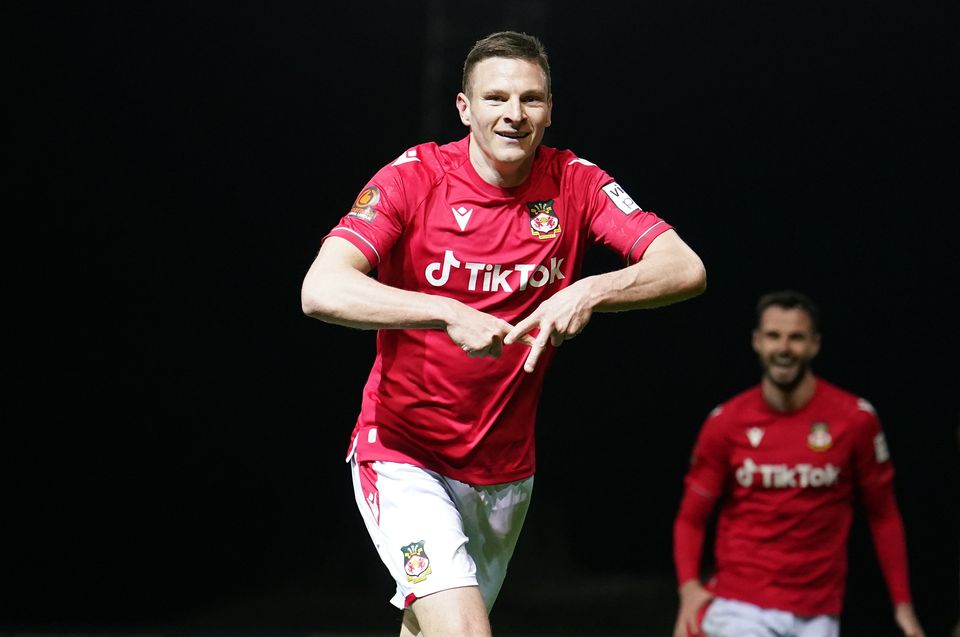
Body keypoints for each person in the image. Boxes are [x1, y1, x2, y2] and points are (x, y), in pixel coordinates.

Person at [301, 30, 706, 637]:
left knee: (430, 629)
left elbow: (685, 267)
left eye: (531, 99)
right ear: (465, 108)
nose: (513, 115)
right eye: (495, 98)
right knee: (465, 631)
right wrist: (445, 311)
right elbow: (321, 289)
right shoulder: (413, 177)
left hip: (504, 473)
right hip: (404, 453)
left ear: (549, 109)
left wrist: (589, 289)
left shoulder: (576, 182)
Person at [671, 290, 925, 637]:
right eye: (774, 336)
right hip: (741, 605)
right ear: (757, 342)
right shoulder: (726, 423)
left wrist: (903, 606)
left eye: (797, 337)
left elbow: (883, 515)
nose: (784, 348)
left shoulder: (855, 420)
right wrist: (688, 589)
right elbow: (691, 518)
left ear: (815, 344)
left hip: (818, 611)